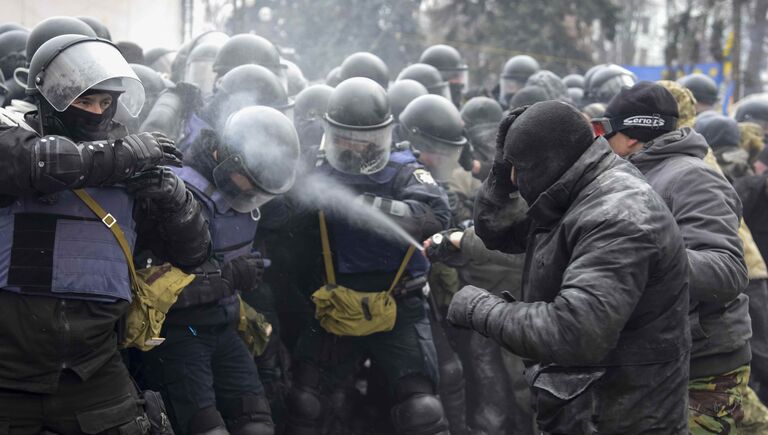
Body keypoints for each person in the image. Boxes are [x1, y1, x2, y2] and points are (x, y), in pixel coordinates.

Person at [0, 33, 210, 434]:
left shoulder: (132, 165)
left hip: (93, 374)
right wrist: (122, 157)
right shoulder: (12, 142)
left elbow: (193, 253)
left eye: (104, 102)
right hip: (7, 376)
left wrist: (175, 199)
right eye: (83, 101)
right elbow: (41, 164)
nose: (96, 112)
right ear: (50, 97)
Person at [450, 101, 691, 433]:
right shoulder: (573, 189)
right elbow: (496, 231)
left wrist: (481, 310)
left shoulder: (618, 215)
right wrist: (502, 166)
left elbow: (574, 332)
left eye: (520, 169)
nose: (515, 179)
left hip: (624, 417)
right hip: (585, 408)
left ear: (550, 162)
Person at [284, 77, 451, 435]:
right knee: (305, 405)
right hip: (332, 304)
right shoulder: (316, 168)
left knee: (422, 409)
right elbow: (283, 220)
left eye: (366, 143)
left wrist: (363, 205)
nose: (356, 150)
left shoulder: (405, 168)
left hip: (399, 305)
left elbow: (435, 216)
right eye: (345, 141)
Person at [594, 82, 751, 433]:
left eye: (608, 132)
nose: (602, 144)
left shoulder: (692, 178)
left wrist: (648, 256)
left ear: (631, 136)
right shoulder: (632, 176)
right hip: (656, 357)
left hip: (702, 368)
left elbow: (727, 270)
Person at [140, 105, 300, 435]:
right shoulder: (175, 193)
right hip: (179, 334)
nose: (253, 193)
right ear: (226, 156)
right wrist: (226, 279)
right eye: (250, 181)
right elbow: (149, 287)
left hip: (224, 325)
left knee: (256, 425)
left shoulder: (249, 186)